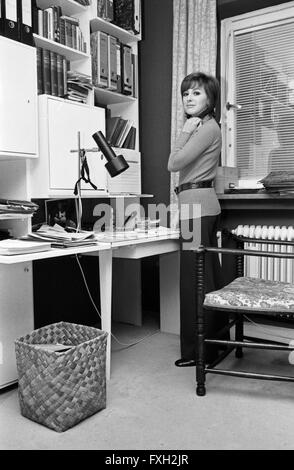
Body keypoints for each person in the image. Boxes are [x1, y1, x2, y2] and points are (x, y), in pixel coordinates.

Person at [168, 71, 228, 367]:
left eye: (196, 93)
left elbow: (173, 163)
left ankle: (198, 352)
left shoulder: (203, 128)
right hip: (199, 206)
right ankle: (213, 347)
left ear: (210, 98)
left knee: (195, 280)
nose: (188, 98)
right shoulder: (207, 126)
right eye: (186, 93)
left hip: (196, 208)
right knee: (206, 278)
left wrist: (184, 132)